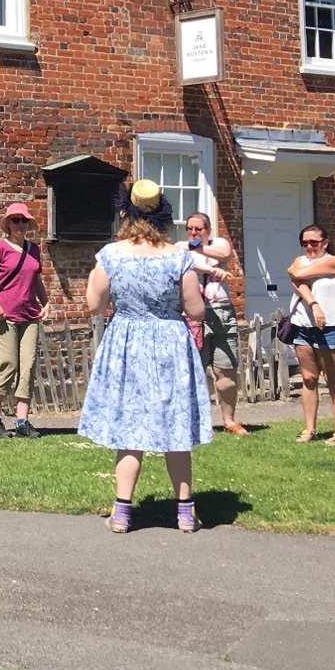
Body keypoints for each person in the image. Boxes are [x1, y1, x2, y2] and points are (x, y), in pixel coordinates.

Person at [78, 179, 211, 533]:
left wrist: (95, 279)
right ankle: (185, 511)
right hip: (169, 341)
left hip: (126, 341)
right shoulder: (179, 258)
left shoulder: (111, 255)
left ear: (128, 213)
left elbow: (95, 305)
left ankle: (122, 511)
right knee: (175, 425)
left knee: (129, 426)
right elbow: (195, 310)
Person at [0, 201, 47, 439]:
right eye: (15, 220)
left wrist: (45, 302)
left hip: (30, 315)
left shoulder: (34, 250)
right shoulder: (0, 247)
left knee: (27, 367)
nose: (19, 224)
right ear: (7, 224)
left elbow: (35, 279)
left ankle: (22, 421)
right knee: (7, 364)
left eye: (23, 220)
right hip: (3, 315)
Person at [179, 212, 248, 436]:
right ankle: (196, 422)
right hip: (193, 313)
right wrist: (209, 267)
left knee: (226, 371)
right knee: (195, 371)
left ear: (208, 229)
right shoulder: (181, 247)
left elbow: (225, 253)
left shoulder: (218, 243)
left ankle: (229, 420)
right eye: (190, 228)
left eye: (198, 229)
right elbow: (187, 261)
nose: (193, 233)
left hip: (221, 311)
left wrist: (198, 247)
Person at [286, 225, 335, 446]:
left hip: (328, 325)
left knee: (332, 379)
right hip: (303, 325)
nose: (309, 247)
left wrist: (296, 274)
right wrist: (313, 305)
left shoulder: (334, 262)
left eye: (314, 242)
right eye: (305, 243)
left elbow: (298, 274)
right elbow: (297, 281)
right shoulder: (300, 260)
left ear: (325, 242)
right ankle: (310, 429)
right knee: (309, 378)